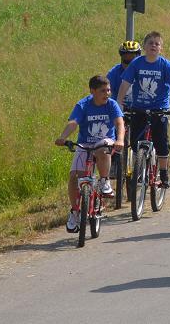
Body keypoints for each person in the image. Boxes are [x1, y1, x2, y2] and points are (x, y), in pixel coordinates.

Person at [55, 75, 125, 233]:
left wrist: (120, 139)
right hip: (85, 143)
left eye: (108, 90)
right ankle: (74, 211)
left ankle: (104, 181)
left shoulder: (112, 104)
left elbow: (120, 123)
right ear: (92, 91)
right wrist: (63, 137)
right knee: (74, 177)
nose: (107, 93)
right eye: (103, 91)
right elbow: (73, 122)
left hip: (105, 141)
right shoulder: (83, 104)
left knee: (102, 149)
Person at [118, 31, 170, 188]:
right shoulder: (137, 63)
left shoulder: (165, 65)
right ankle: (141, 165)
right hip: (139, 108)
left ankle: (164, 173)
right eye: (150, 43)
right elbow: (125, 83)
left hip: (159, 109)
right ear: (145, 47)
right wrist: (119, 102)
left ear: (161, 48)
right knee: (134, 143)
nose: (154, 45)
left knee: (161, 142)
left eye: (157, 43)